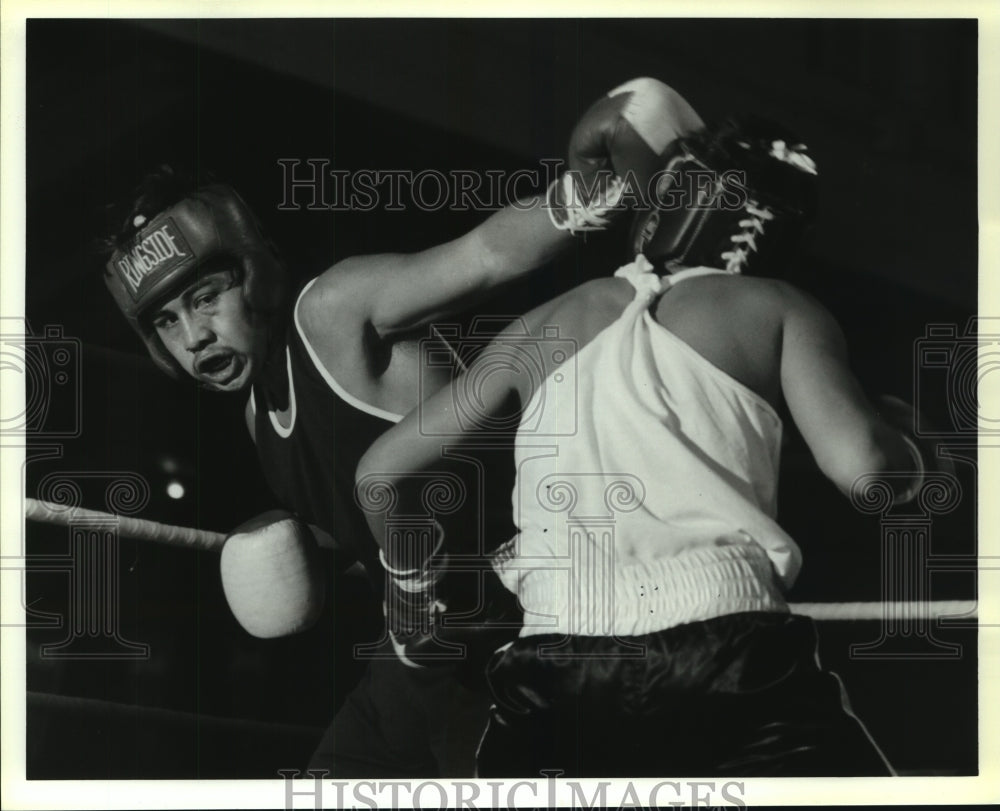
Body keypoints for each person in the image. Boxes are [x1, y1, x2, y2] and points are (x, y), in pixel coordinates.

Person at [99, 77, 705, 776]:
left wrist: (596, 186)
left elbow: (483, 258)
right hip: (414, 655)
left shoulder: (330, 311)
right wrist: (302, 549)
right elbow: (374, 537)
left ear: (252, 274)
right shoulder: (255, 414)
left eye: (206, 298)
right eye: (168, 323)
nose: (194, 335)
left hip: (520, 625)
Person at [356, 115, 944, 776]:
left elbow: (380, 472)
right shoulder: (776, 305)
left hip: (553, 655)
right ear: (775, 229)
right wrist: (910, 447)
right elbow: (863, 470)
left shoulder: (541, 325)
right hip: (724, 645)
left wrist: (414, 596)